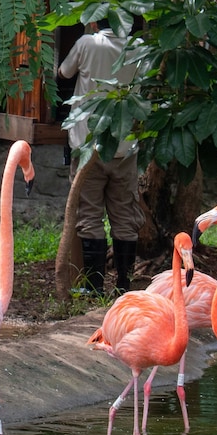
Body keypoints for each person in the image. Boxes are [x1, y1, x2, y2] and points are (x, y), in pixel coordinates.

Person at [58, 20, 145, 296]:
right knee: (124, 218)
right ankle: (123, 286)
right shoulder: (140, 48)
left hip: (88, 147)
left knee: (90, 217)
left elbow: (63, 72)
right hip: (125, 149)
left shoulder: (87, 43)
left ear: (97, 20)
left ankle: (94, 287)